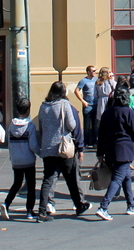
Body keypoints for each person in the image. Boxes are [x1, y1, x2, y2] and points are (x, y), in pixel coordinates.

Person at [35, 81, 90, 221]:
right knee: (71, 177)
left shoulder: (43, 106)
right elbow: (72, 125)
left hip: (48, 147)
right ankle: (78, 205)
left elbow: (41, 127)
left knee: (48, 179)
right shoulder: (64, 104)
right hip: (63, 147)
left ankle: (42, 210)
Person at [95, 85, 134, 220]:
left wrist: (100, 153)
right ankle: (103, 207)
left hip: (109, 149)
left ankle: (131, 205)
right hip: (124, 149)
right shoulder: (128, 112)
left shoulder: (107, 112)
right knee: (118, 178)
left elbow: (101, 134)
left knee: (126, 177)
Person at [0, 97, 40, 221]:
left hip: (16, 160)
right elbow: (33, 145)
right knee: (31, 185)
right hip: (28, 160)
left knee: (17, 183)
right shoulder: (30, 126)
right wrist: (41, 153)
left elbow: (9, 144)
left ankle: (6, 203)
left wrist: (12, 157)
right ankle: (29, 211)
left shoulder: (11, 125)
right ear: (28, 110)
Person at [74, 65, 98, 148]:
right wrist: (83, 101)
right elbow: (76, 91)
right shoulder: (83, 81)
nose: (95, 72)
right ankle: (86, 142)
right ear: (88, 72)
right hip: (87, 105)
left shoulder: (97, 80)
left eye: (95, 71)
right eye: (93, 71)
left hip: (96, 104)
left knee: (95, 125)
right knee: (87, 125)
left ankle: (95, 142)